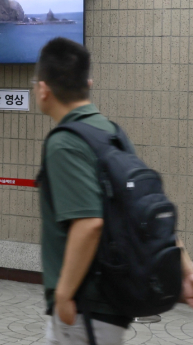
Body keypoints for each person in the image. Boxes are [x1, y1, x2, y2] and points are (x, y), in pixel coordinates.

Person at [33, 37, 193, 345]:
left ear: (43, 89)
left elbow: (89, 223)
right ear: (88, 83)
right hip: (108, 304)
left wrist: (64, 294)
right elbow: (140, 205)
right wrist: (185, 267)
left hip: (84, 307)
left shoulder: (64, 142)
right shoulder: (111, 133)